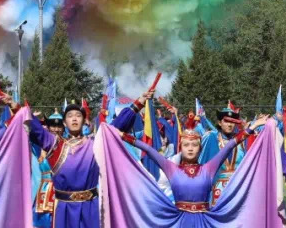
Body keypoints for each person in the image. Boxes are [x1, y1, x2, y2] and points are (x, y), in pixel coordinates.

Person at [21, 89, 142, 228]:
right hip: (64, 209)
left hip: (90, 207)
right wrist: (16, 107)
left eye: (78, 115)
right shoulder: (55, 145)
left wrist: (138, 104)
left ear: (84, 121)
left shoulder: (95, 143)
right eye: (70, 116)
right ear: (65, 123)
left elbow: (115, 127)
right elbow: (37, 130)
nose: (74, 118)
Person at [116, 114, 267, 226]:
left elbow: (230, 145)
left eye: (194, 145)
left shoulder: (209, 168)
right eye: (186, 145)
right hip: (179, 222)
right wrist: (122, 135)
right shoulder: (171, 168)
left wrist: (251, 128)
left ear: (200, 148)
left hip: (205, 222)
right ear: (180, 147)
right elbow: (148, 149)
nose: (190, 148)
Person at [32, 113, 64, 228]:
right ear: (48, 128)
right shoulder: (38, 147)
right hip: (44, 192)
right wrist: (29, 116)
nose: (56, 129)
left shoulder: (67, 145)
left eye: (59, 126)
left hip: (62, 190)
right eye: (53, 126)